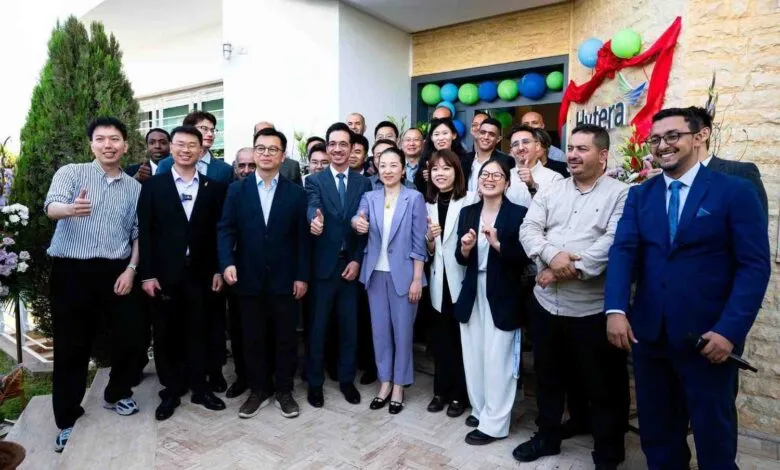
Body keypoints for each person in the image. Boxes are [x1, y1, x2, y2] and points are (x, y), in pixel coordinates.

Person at [604, 108, 770, 470]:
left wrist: (729, 331)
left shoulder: (735, 190)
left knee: (714, 433)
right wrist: (615, 309)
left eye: (673, 136)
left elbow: (754, 266)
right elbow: (623, 252)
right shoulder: (640, 195)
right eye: (655, 139)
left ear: (698, 137)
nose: (663, 145)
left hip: (708, 338)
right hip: (650, 336)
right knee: (658, 431)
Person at [516, 124, 629, 469]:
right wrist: (552, 256)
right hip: (547, 305)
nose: (573, 155)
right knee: (549, 378)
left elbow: (611, 244)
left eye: (583, 149)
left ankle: (608, 453)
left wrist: (565, 270)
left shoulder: (622, 194)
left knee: (603, 386)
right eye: (571, 148)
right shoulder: (552, 190)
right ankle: (548, 437)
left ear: (603, 155)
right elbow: (528, 229)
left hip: (591, 310)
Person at [44, 117, 144, 452]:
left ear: (125, 145)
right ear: (91, 144)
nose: (107, 145)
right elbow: (51, 206)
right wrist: (70, 209)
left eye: (114, 139)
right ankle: (67, 419)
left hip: (117, 270)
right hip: (71, 270)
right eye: (100, 139)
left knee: (132, 336)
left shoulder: (134, 188)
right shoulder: (72, 173)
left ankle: (117, 392)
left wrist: (131, 269)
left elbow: (137, 234)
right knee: (71, 346)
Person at [218, 127, 310, 419]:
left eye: (273, 149)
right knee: (253, 338)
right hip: (248, 278)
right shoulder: (237, 190)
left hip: (285, 279)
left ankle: (284, 390)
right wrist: (227, 262)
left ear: (283, 156)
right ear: (254, 152)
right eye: (261, 148)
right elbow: (225, 229)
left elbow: (302, 239)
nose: (266, 154)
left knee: (285, 338)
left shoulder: (296, 194)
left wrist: (301, 276)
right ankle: (258, 390)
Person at [138, 125, 227, 421]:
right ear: (171, 148)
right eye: (180, 144)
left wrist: (218, 269)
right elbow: (145, 233)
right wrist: (147, 274)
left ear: (201, 150)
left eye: (192, 145)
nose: (185, 150)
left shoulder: (214, 188)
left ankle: (201, 388)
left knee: (201, 330)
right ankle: (171, 390)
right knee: (166, 334)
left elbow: (220, 233)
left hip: (202, 273)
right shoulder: (154, 186)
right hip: (164, 275)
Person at [454, 158, 530, 445]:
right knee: (474, 355)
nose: (489, 179)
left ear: (507, 182)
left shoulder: (518, 213)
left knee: (498, 359)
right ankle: (480, 409)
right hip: (473, 290)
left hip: (504, 292)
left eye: (497, 175)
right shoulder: (468, 212)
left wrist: (498, 244)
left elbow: (525, 257)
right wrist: (465, 248)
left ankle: (495, 424)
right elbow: (460, 257)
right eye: (485, 174)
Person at [352, 147, 427, 414]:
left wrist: (417, 278)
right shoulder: (370, 196)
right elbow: (358, 217)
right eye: (383, 165)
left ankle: (399, 386)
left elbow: (419, 243)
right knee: (380, 332)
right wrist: (357, 222)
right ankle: (384, 382)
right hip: (375, 274)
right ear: (376, 167)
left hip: (405, 276)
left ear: (403, 169)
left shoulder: (414, 198)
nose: (387, 170)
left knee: (403, 332)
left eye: (393, 165)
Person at [305, 122, 373, 408]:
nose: (337, 149)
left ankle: (347, 380)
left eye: (343, 144)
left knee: (349, 327)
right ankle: (315, 383)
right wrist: (314, 218)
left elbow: (366, 225)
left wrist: (357, 260)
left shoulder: (363, 183)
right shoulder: (315, 180)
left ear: (352, 148)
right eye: (332, 143)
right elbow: (312, 205)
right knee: (318, 328)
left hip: (350, 266)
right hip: (323, 267)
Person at [424, 149, 479, 418]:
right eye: (435, 169)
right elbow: (429, 251)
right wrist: (429, 239)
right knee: (441, 340)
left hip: (462, 279)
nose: (440, 174)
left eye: (446, 168)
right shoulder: (427, 203)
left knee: (461, 341)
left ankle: (460, 394)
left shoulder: (471, 199)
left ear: (457, 172)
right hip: (438, 281)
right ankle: (440, 391)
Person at [689, 106, 768, 215]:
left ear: (703, 135)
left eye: (676, 134)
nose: (668, 143)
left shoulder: (740, 173)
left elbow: (756, 223)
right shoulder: (669, 182)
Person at [223, 147, 255, 400]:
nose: (246, 170)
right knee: (239, 328)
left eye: (251, 165)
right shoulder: (231, 191)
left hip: (269, 273)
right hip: (238, 272)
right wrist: (226, 263)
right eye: (241, 166)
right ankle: (242, 376)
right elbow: (225, 229)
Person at [157, 112, 234, 184]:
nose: (210, 134)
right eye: (204, 129)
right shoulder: (166, 164)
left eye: (212, 130)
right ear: (188, 129)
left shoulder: (225, 169)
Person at [462, 118, 514, 191]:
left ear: (498, 139)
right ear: (478, 134)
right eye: (483, 132)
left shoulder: (506, 161)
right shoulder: (464, 158)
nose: (486, 137)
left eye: (491, 134)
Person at [416, 118, 467, 192]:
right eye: (436, 134)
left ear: (454, 135)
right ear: (431, 138)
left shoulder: (464, 160)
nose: (440, 138)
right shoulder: (425, 160)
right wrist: (426, 178)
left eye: (445, 133)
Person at [254, 121, 303, 186]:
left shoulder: (291, 167)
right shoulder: (245, 163)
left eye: (269, 133)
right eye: (260, 133)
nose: (266, 153)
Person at [401, 128, 425, 192]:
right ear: (401, 144)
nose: (411, 143)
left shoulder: (429, 166)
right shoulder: (396, 165)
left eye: (416, 140)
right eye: (408, 140)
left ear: (423, 143)